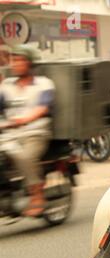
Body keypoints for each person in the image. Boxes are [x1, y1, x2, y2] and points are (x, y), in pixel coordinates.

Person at [0, 45, 55, 217]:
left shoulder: (43, 83)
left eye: (20, 60)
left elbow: (43, 108)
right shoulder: (6, 86)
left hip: (35, 133)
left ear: (30, 63)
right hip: (9, 134)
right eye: (13, 60)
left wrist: (25, 119)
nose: (15, 64)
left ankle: (37, 194)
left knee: (23, 156)